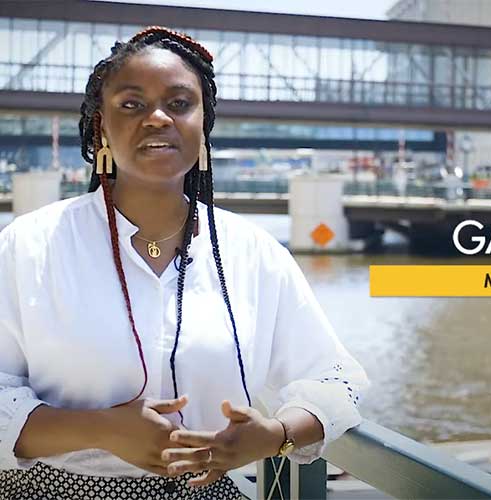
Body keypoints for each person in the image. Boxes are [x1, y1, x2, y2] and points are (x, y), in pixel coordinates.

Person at [0, 27, 368, 499]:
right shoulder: (28, 247)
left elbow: (335, 379)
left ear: (202, 124)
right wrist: (100, 429)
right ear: (100, 127)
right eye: (131, 104)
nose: (157, 118)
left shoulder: (253, 253)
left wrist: (274, 435)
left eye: (178, 103)